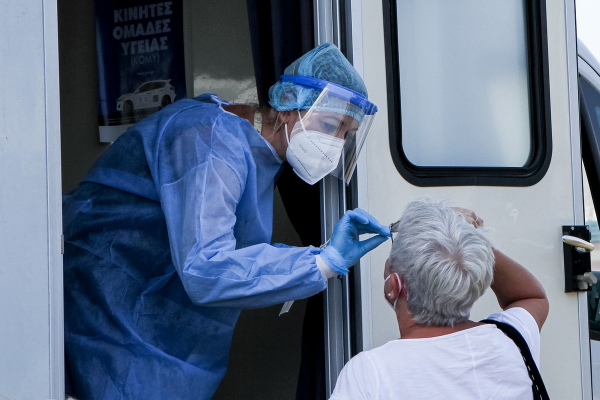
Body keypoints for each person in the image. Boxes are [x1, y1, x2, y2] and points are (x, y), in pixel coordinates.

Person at [63, 42, 389, 400]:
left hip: (150, 326)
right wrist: (321, 263)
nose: (335, 143)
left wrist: (319, 258)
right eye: (329, 125)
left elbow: (232, 255)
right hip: (107, 312)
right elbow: (205, 267)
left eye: (346, 134)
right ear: (288, 104)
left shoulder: (258, 156)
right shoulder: (211, 140)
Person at [330, 198, 550, 399]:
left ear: (393, 286)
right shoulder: (511, 339)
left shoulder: (370, 372)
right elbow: (531, 296)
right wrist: (470, 240)